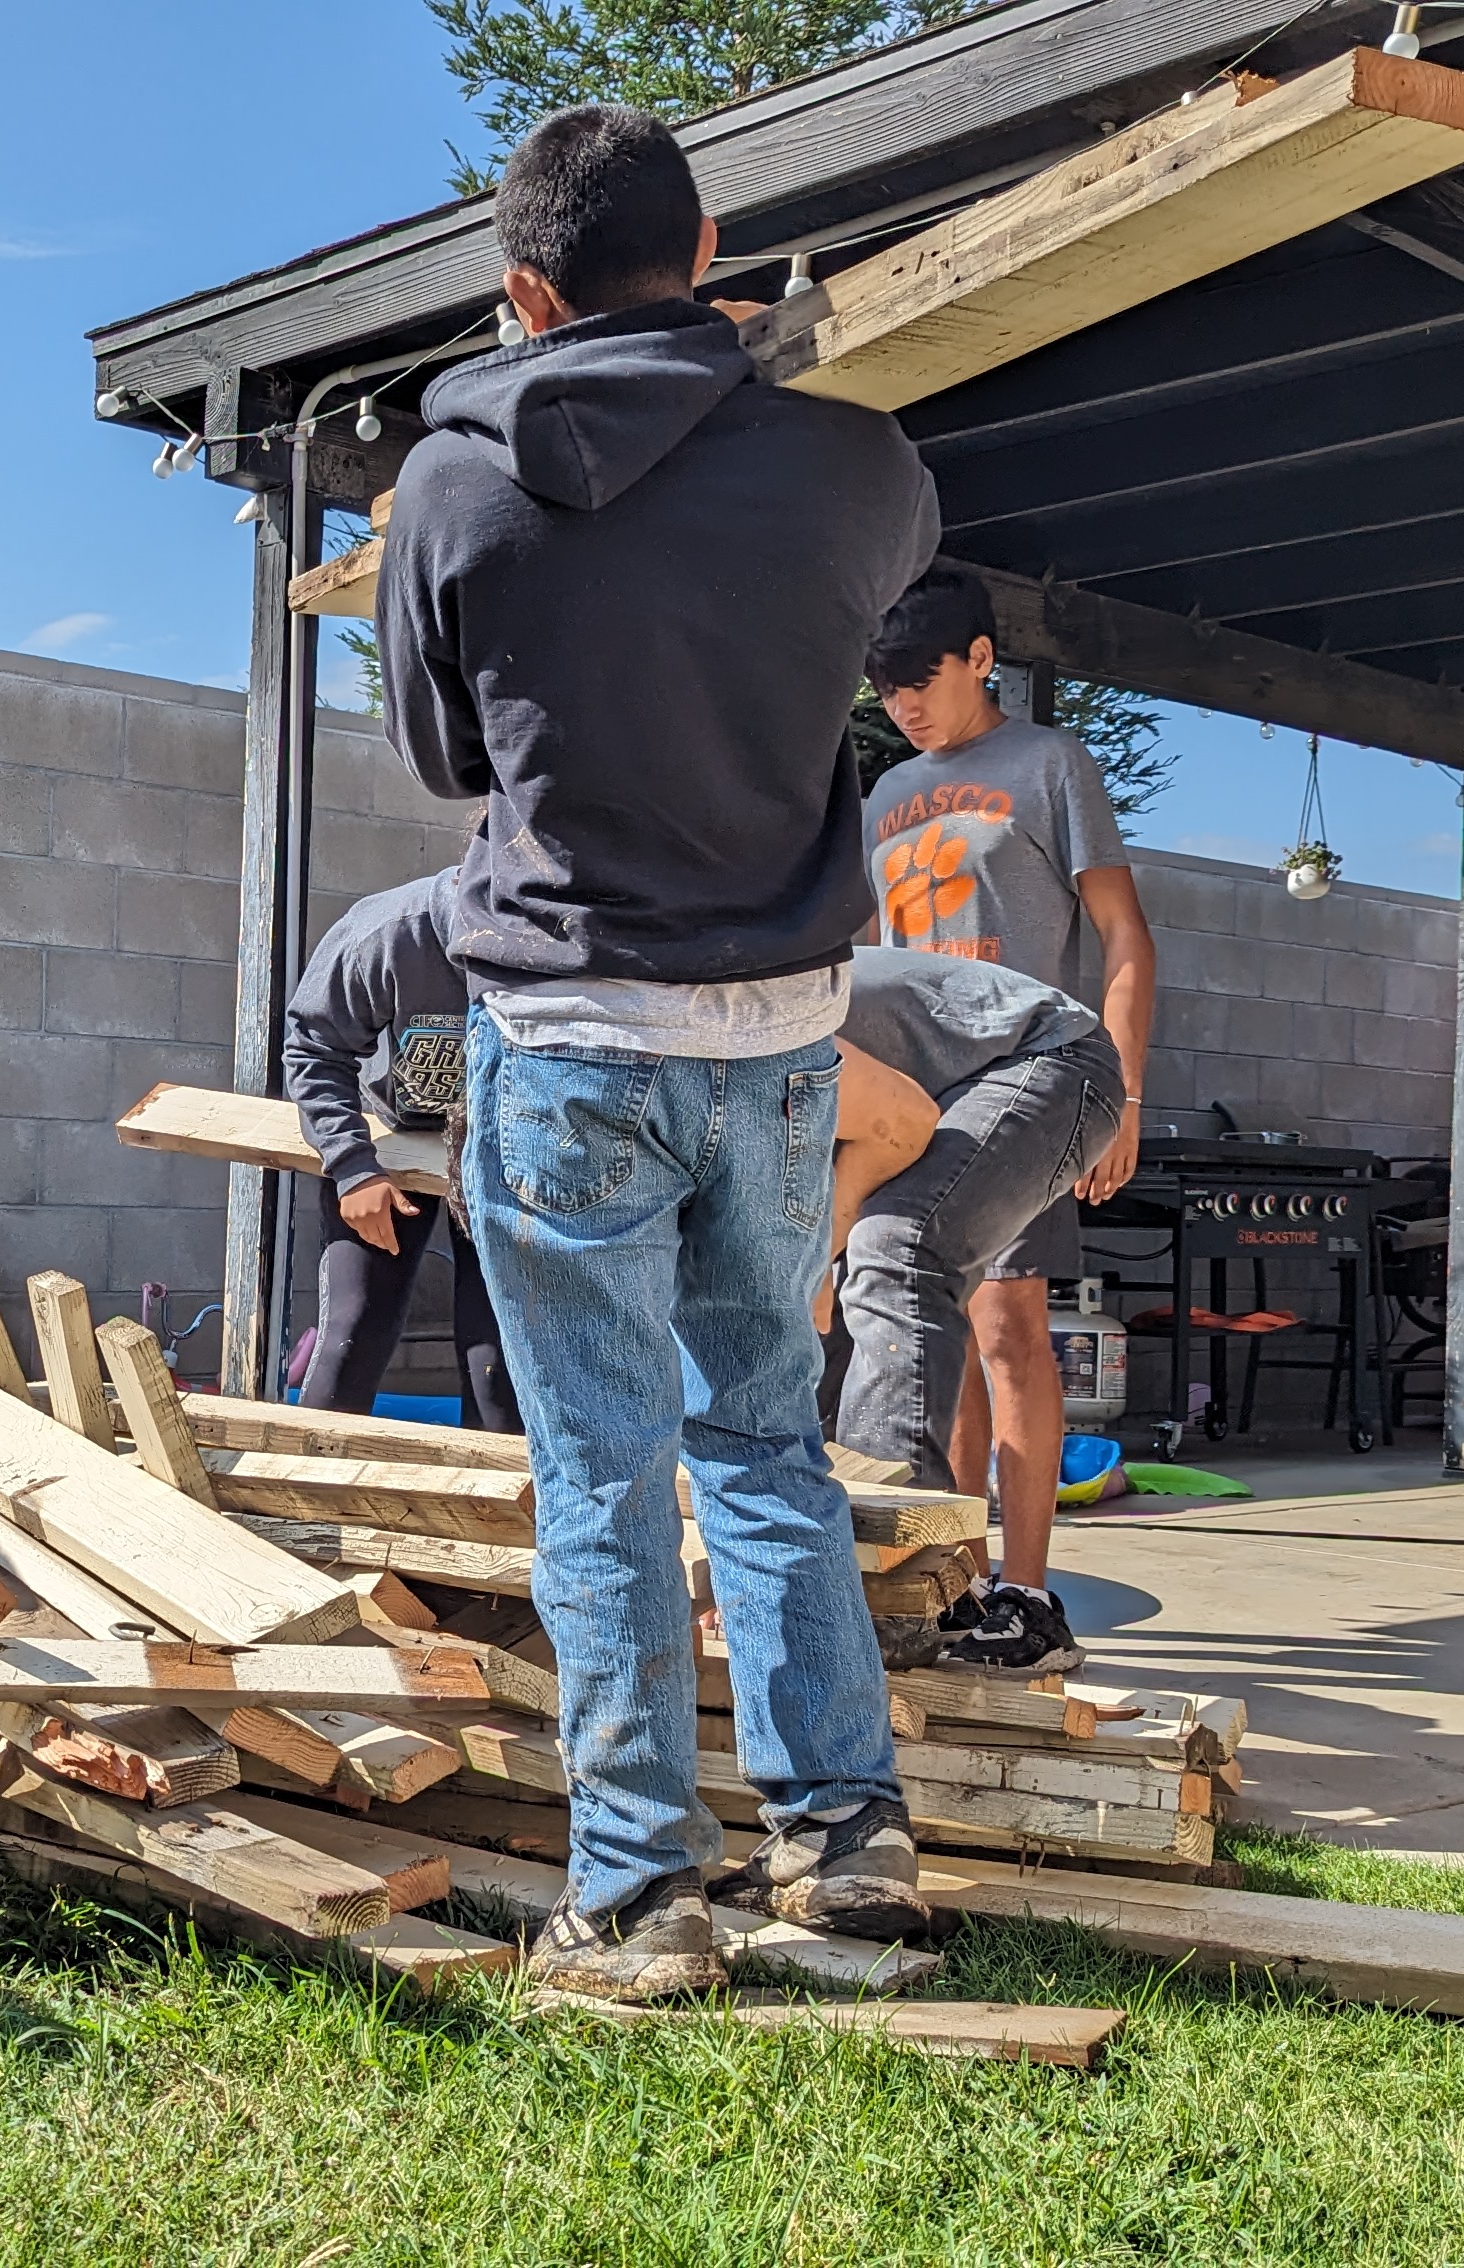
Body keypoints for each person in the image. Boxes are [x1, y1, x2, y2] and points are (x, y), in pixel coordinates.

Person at [379, 103, 941, 2001]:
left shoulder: (450, 487)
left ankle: (636, 1898)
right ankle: (843, 1839)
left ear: (521, 292)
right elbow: (855, 572)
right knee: (766, 1433)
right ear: (705, 256)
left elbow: (448, 759)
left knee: (601, 1471)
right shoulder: (860, 468)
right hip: (782, 1038)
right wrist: (746, 366)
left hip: (566, 1033)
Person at [860, 567, 1157, 1680]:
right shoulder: (884, 795)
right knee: (925, 1328)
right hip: (910, 1098)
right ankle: (957, 1584)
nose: (906, 707)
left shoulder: (1049, 764)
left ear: (982, 658)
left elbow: (1125, 936)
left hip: (1027, 1076)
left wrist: (1124, 1094)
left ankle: (1028, 1596)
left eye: (922, 681)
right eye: (888, 691)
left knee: (1007, 1330)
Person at [821, 948, 1126, 1675]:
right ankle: (948, 1587)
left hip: (1052, 1061)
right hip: (943, 1088)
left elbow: (904, 1120)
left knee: (898, 1250)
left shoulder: (752, 1029)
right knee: (847, 1293)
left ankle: (904, 1583)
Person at [282, 868, 520, 1431]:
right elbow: (313, 1049)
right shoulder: (388, 932)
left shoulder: (553, 936)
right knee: (354, 1331)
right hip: (391, 1150)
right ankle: (309, 1479)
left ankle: (495, 1488)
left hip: (503, 1154)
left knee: (497, 1358)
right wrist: (353, 1168)